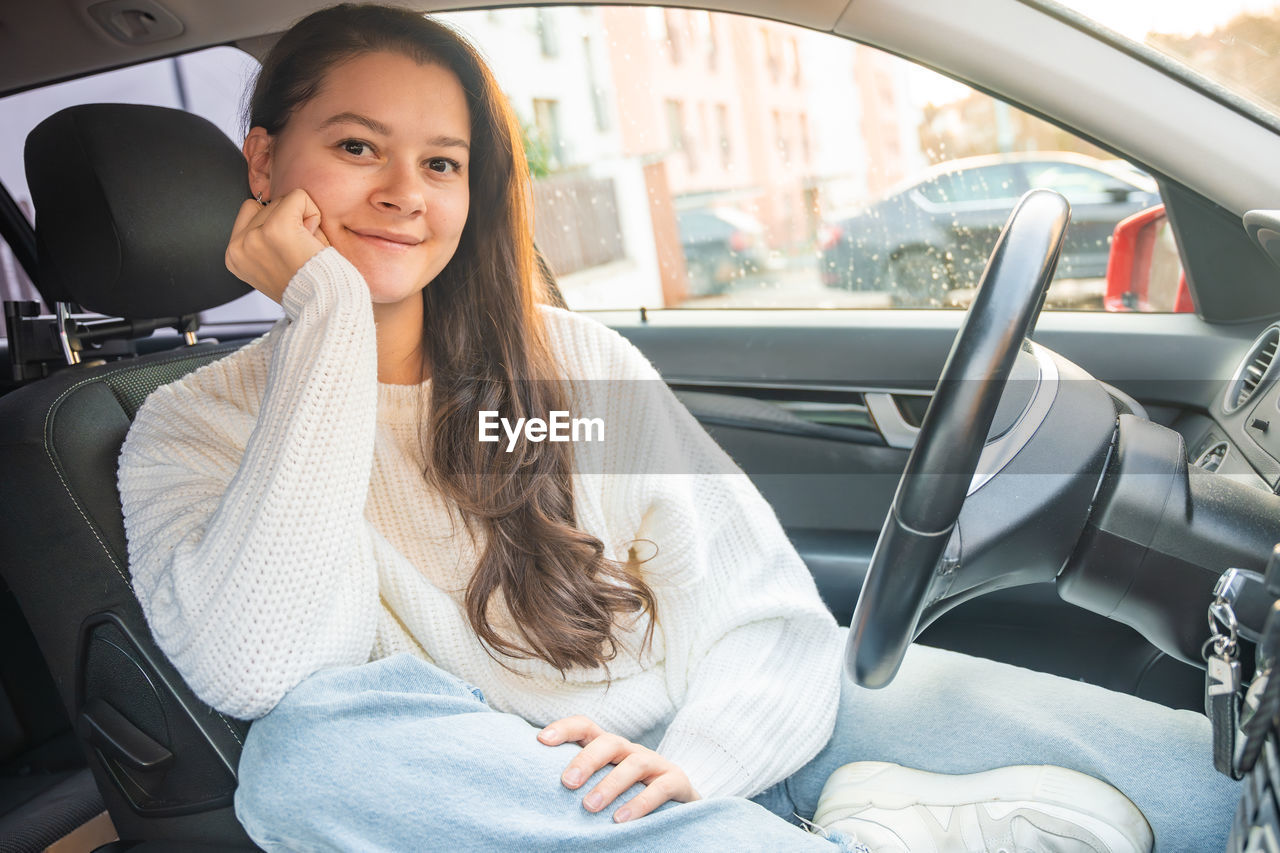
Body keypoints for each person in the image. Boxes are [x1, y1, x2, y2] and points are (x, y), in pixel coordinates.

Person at [116, 4, 1239, 851]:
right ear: (264, 161)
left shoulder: (570, 366)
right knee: (310, 757)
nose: (406, 192)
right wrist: (325, 320)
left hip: (713, 764)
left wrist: (701, 762)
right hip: (523, 808)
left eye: (443, 163)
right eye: (358, 148)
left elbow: (760, 605)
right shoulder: (187, 430)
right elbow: (268, 668)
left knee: (1219, 785)